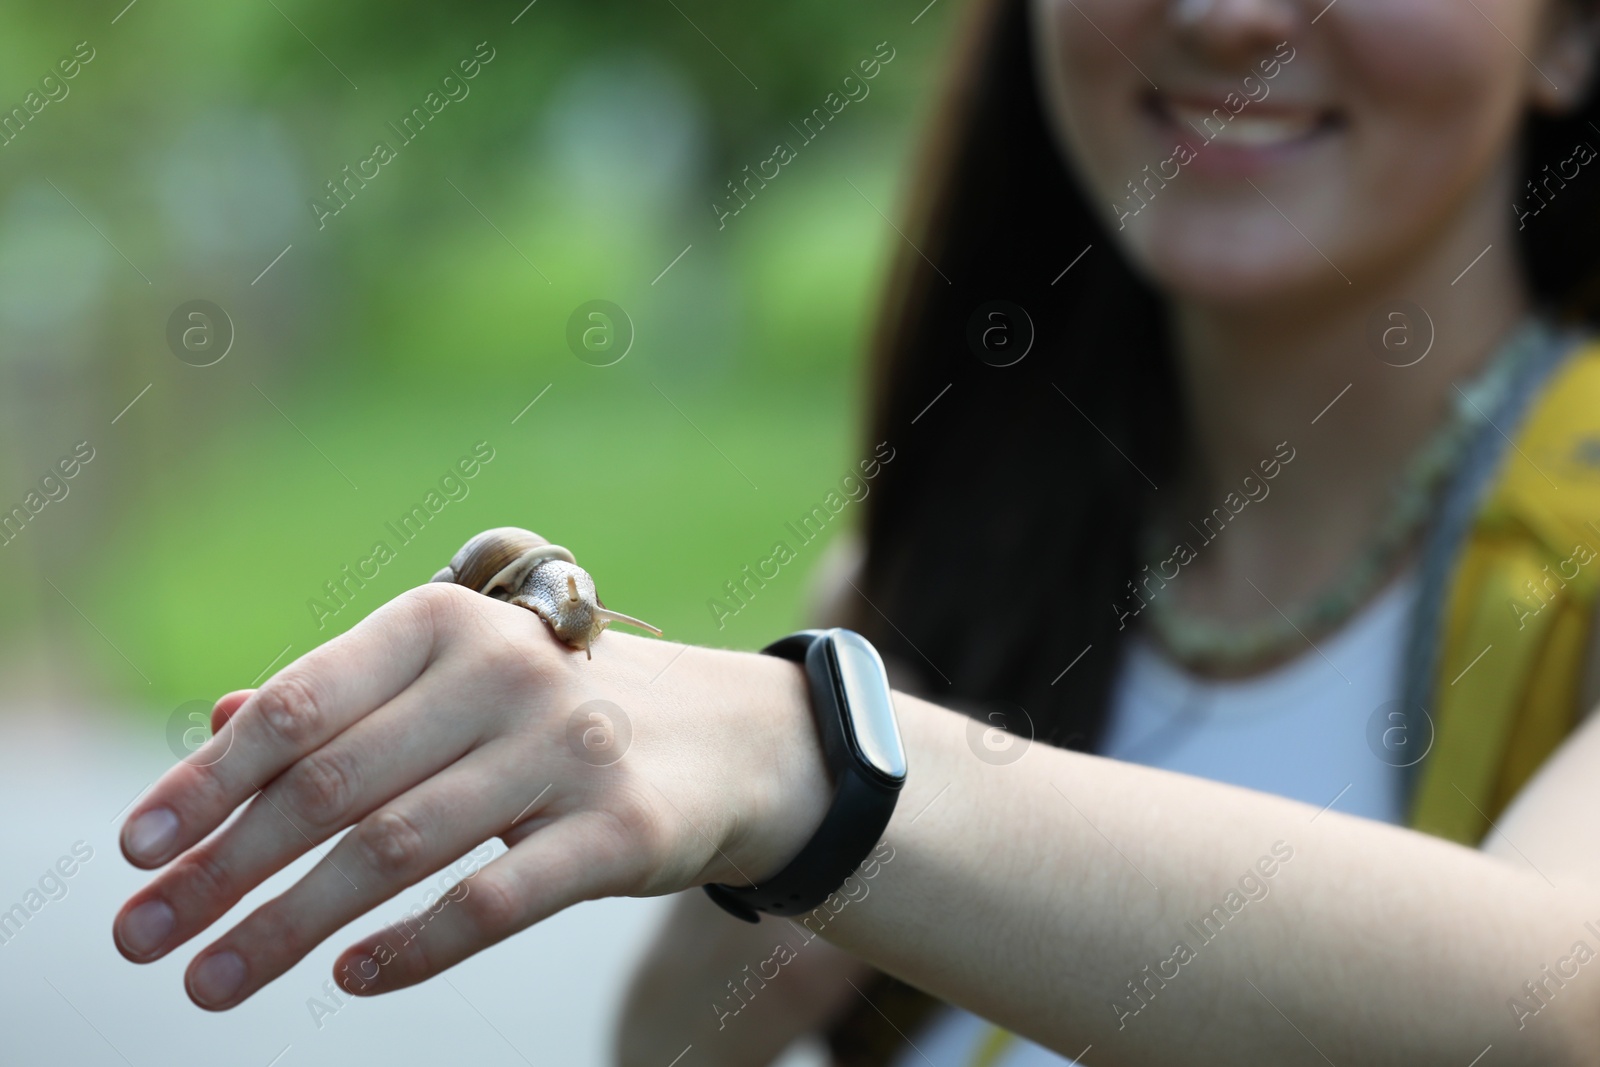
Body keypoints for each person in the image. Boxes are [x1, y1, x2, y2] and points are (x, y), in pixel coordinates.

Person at [113, 0, 1600, 1064]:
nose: (1226, 15)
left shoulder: (844, 720)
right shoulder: (941, 577)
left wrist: (822, 761)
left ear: (1572, 33)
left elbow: (1551, 1004)